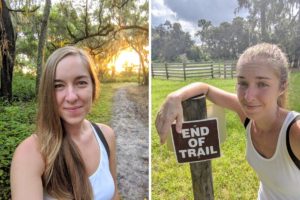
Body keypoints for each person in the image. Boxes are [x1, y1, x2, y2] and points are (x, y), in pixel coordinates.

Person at [156, 43, 300, 199]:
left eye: (262, 84)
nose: (248, 97)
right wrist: (174, 97)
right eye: (243, 83)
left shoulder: (295, 132)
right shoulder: (248, 115)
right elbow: (206, 89)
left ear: (282, 87)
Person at [10, 46, 120, 200]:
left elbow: (114, 194)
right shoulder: (30, 154)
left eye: (80, 83)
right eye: (58, 86)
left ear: (93, 87)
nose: (71, 97)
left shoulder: (106, 136)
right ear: (48, 93)